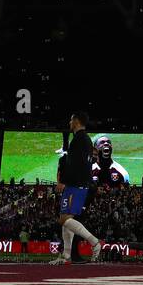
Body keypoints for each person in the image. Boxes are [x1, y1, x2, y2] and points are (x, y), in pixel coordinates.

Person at [49, 112, 103, 266]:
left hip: (76, 185)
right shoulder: (85, 139)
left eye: (71, 119)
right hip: (79, 184)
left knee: (64, 219)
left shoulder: (79, 140)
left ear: (77, 121)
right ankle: (66, 256)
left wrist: (63, 181)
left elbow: (75, 164)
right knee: (66, 218)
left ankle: (95, 242)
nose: (69, 122)